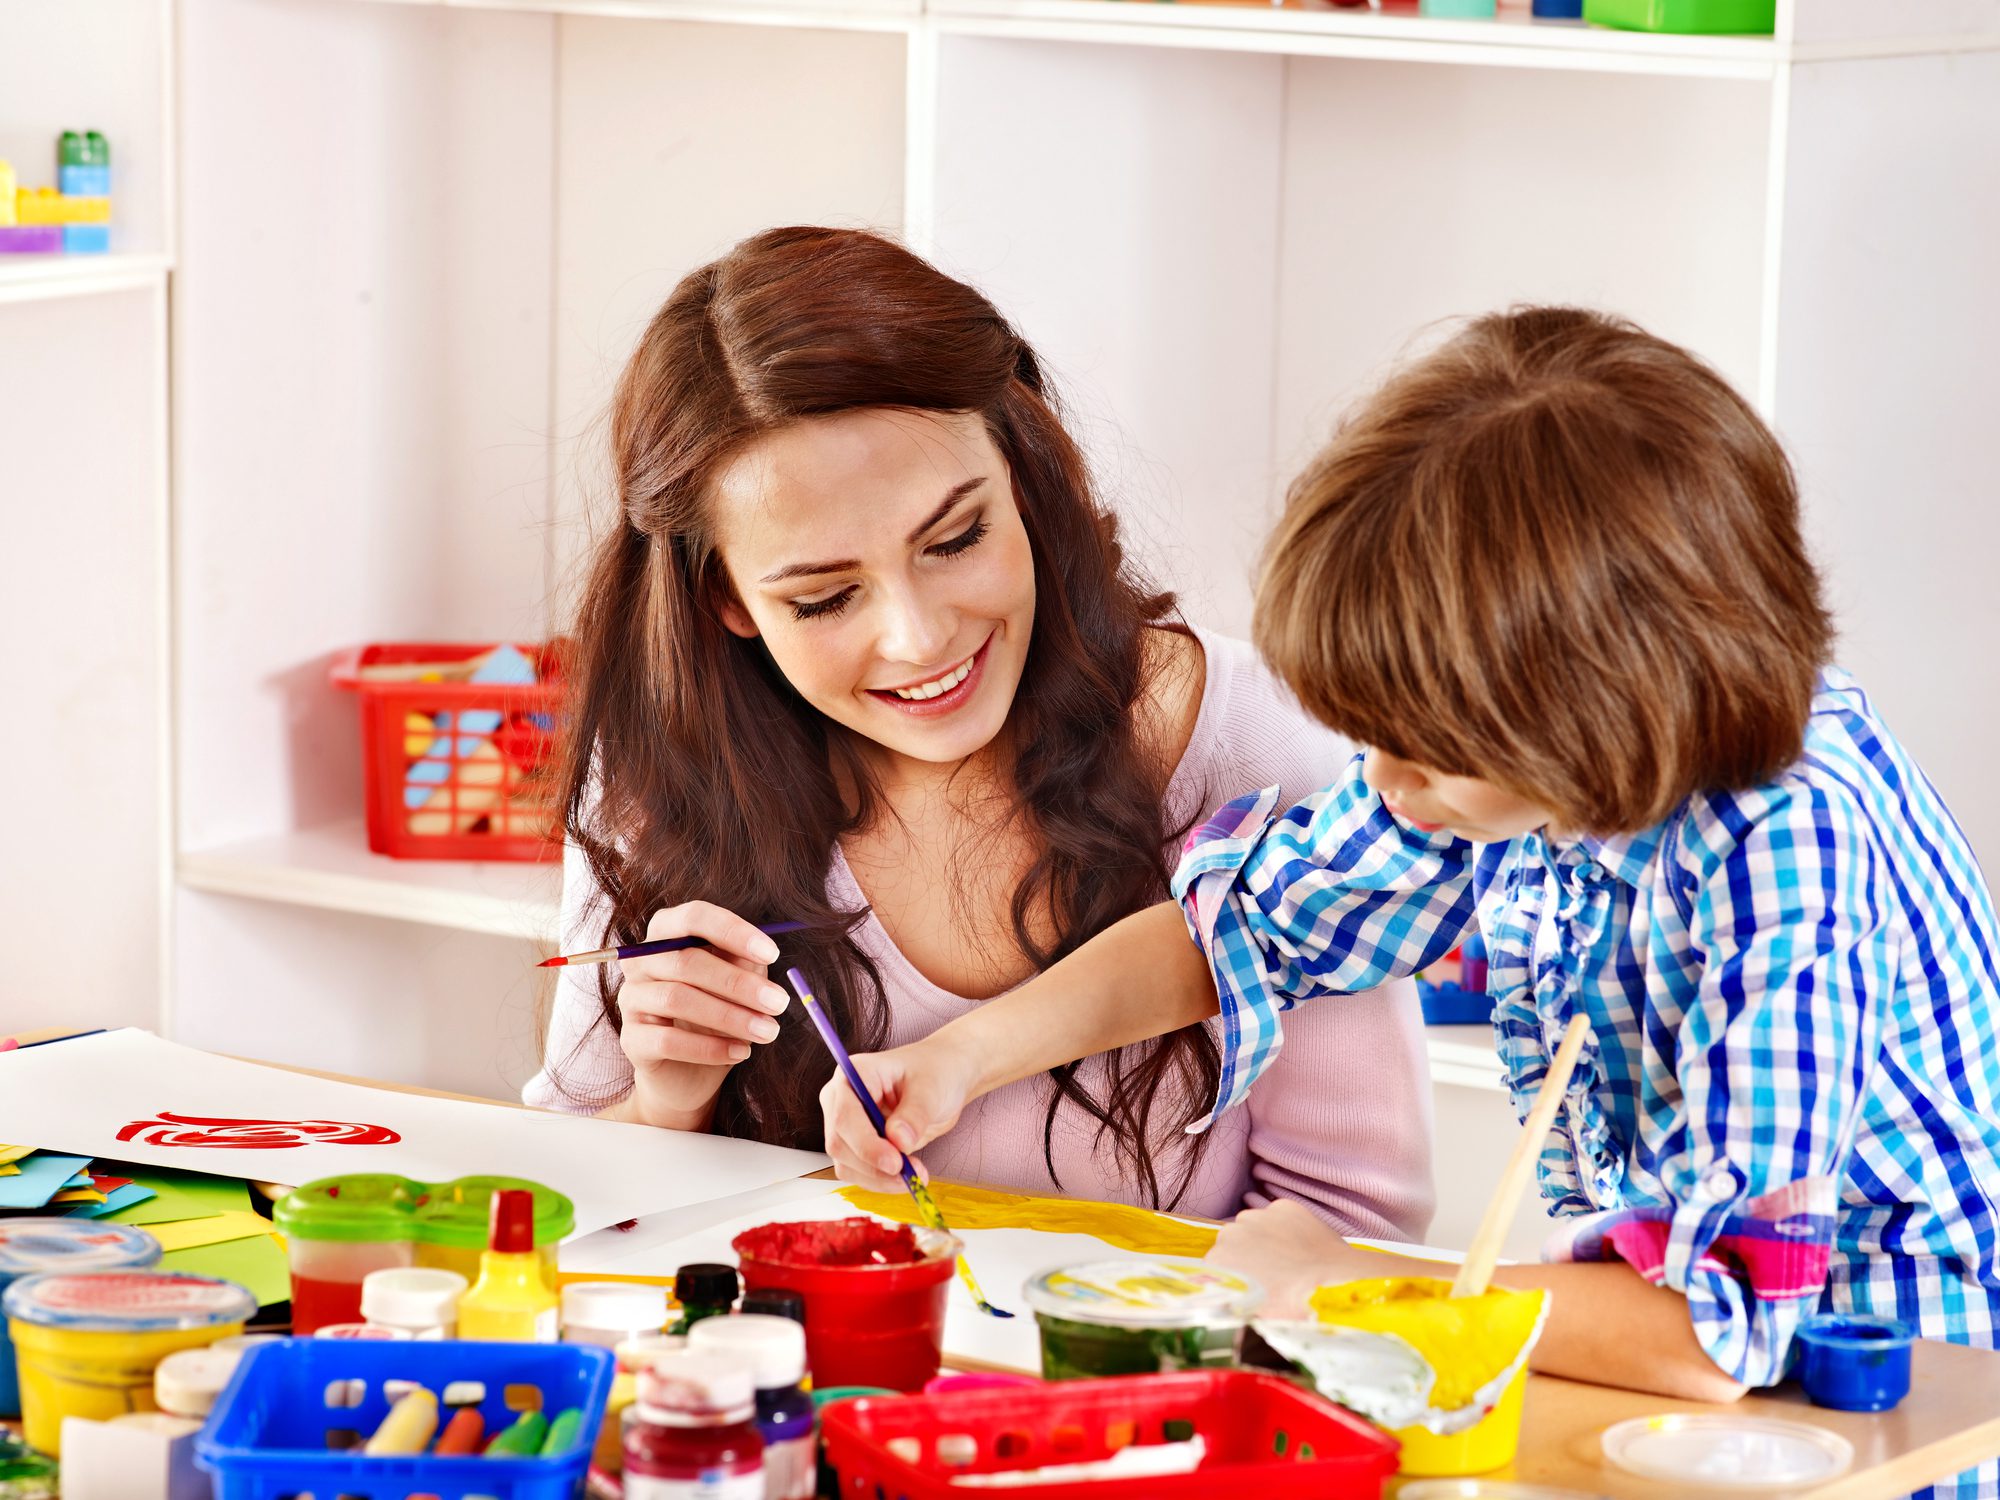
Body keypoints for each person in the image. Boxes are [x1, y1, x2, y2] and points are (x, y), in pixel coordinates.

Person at [820, 308, 2000, 1459]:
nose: (1378, 782)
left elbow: (1714, 1329)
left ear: (1596, 712)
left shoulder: (1788, 853)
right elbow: (1242, 934)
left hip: (1888, 1421)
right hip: (1684, 1405)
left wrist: (1342, 1279)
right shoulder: (1505, 757)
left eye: (1419, 752)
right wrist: (960, 1060)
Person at [522, 225, 1432, 1234]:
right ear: (725, 601)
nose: (916, 640)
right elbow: (573, 1228)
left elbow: (1357, 1235)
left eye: (954, 539)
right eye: (823, 598)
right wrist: (666, 1101)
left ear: (1024, 478)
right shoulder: (660, 769)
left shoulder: (1252, 746)